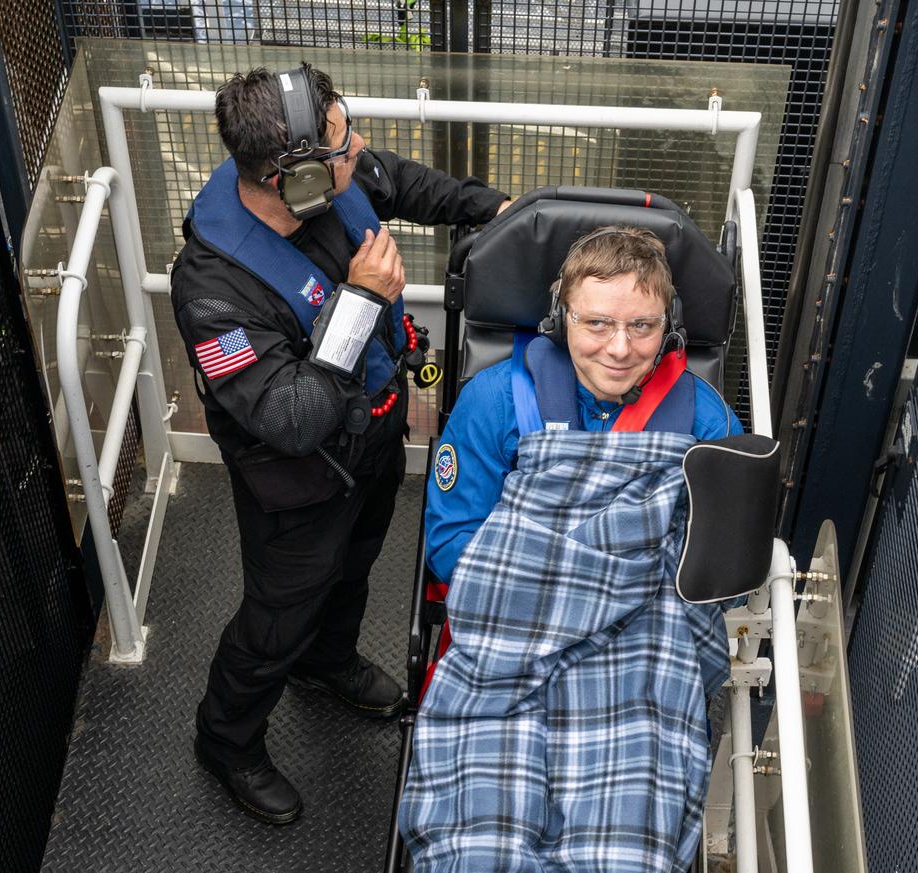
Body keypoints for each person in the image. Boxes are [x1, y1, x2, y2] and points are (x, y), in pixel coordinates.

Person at [170, 64, 509, 826]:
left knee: (355, 566)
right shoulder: (213, 289)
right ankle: (225, 739)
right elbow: (288, 416)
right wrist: (361, 301)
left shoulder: (329, 173)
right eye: (340, 145)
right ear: (287, 180)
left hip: (373, 435)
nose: (357, 151)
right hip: (298, 478)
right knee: (277, 616)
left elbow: (402, 182)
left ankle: (326, 665)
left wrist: (502, 209)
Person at [399, 225, 743, 871]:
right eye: (597, 324)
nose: (619, 348)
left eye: (642, 326)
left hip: (642, 664)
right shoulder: (497, 399)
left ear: (668, 327)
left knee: (627, 840)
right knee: (482, 841)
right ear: (561, 317)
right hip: (510, 649)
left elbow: (724, 569)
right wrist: (561, 593)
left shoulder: (705, 421)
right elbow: (451, 545)